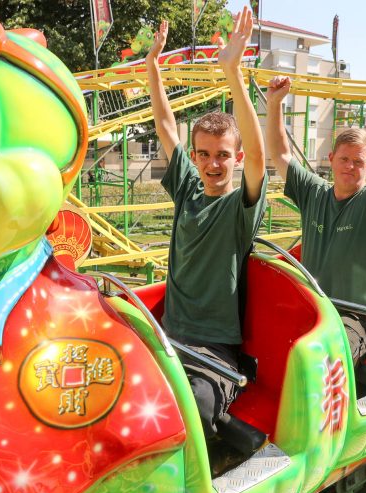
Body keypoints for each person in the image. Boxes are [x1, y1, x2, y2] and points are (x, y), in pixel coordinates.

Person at [145, 7, 267, 444]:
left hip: (214, 345)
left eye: (223, 155)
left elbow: (259, 157)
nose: (213, 163)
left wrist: (233, 72)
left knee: (192, 411)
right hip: (170, 332)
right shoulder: (188, 189)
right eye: (204, 154)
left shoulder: (240, 206)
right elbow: (164, 124)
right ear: (194, 157)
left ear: (235, 158)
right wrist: (153, 65)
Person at [265, 59, 366, 366]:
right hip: (312, 308)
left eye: (358, 162)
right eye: (344, 159)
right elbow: (280, 153)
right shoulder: (313, 192)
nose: (350, 166)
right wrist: (275, 104)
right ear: (331, 158)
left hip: (354, 317)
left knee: (324, 358)